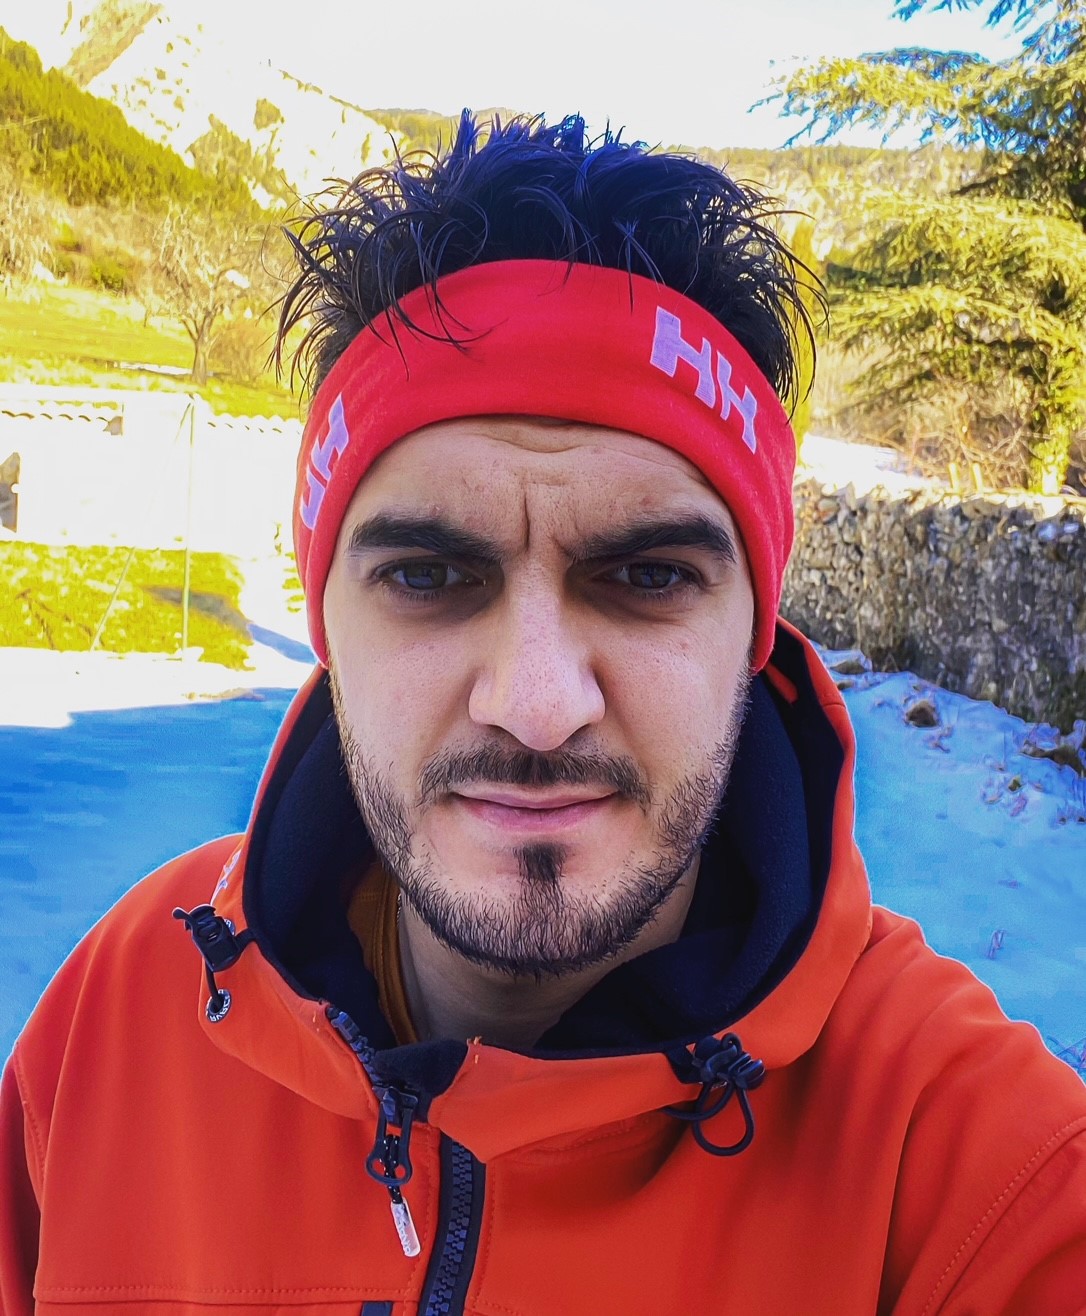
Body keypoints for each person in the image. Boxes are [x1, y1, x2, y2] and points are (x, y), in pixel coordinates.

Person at [2, 113, 1084, 1316]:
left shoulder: (973, 1168)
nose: (534, 705)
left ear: (757, 632)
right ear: (327, 623)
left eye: (648, 575)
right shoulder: (119, 1014)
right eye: (427, 575)